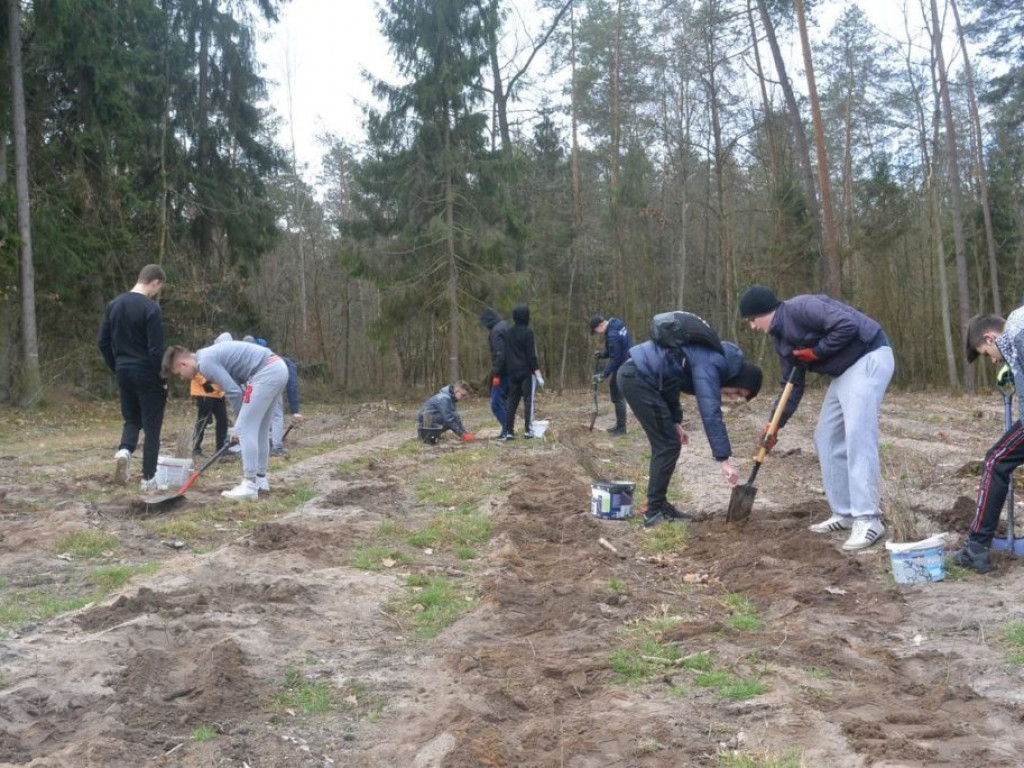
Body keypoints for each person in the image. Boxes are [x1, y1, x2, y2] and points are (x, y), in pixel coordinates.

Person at [739, 285, 894, 551]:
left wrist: (817, 352)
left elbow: (847, 325)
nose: (753, 327)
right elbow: (792, 384)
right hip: (844, 372)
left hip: (870, 355)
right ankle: (844, 513)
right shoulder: (782, 341)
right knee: (826, 437)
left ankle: (868, 519)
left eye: (752, 320)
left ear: (766, 312)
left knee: (857, 434)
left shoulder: (802, 307)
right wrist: (775, 425)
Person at [618, 328, 763, 527]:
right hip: (638, 378)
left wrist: (675, 422)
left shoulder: (713, 360)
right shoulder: (714, 364)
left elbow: (671, 381)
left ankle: (658, 505)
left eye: (739, 397)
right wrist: (723, 459)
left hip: (643, 377)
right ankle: (654, 512)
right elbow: (710, 412)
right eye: (737, 390)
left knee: (668, 443)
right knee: (667, 445)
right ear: (736, 378)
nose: (732, 396)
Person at [162, 339, 289, 500]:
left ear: (183, 364)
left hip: (265, 372)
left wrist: (240, 424)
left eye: (179, 374)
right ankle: (260, 479)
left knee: (246, 430)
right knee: (260, 429)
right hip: (277, 368)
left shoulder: (205, 363)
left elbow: (234, 392)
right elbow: (238, 386)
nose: (182, 378)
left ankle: (250, 484)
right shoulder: (208, 356)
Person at [956, 311, 1024, 572]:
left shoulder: (1018, 328)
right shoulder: (1015, 338)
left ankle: (976, 548)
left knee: (997, 460)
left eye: (986, 354)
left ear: (990, 337)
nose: (993, 362)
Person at [98, 264, 168, 492]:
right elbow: (156, 350)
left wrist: (116, 366)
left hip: (123, 369)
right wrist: (162, 376)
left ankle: (125, 450)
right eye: (159, 288)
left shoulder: (113, 305)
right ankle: (149, 478)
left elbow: (103, 342)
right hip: (146, 372)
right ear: (155, 282)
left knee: (131, 419)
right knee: (152, 427)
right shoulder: (151, 309)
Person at [248, 338, 303, 456]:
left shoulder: (254, 358)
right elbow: (292, 386)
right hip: (271, 383)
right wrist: (295, 411)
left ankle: (258, 444)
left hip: (255, 386)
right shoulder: (287, 364)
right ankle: (276, 447)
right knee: (277, 415)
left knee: (260, 415)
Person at [501, 305, 544, 440]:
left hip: (512, 372)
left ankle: (509, 431)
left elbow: (505, 354)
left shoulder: (508, 333)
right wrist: (538, 374)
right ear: (526, 316)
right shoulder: (528, 332)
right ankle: (528, 430)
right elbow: (531, 355)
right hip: (526, 372)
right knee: (528, 401)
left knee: (512, 402)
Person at [589, 314, 634, 435]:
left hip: (625, 365)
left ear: (600, 325)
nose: (597, 333)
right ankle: (620, 425)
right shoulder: (616, 324)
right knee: (615, 390)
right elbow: (615, 350)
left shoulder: (612, 334)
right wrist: (603, 354)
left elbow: (615, 358)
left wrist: (603, 375)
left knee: (617, 394)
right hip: (628, 360)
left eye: (596, 330)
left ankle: (621, 428)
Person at [190, 332, 232, 457]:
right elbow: (195, 368)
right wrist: (205, 384)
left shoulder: (226, 355)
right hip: (204, 393)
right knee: (203, 421)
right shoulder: (205, 352)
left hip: (219, 394)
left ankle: (220, 448)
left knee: (223, 420)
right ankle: (196, 448)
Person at [480, 308, 511, 437]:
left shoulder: (496, 331)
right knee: (506, 402)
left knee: (496, 403)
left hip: (503, 373)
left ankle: (508, 430)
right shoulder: (506, 327)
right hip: (514, 371)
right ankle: (508, 430)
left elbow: (500, 354)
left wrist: (496, 374)